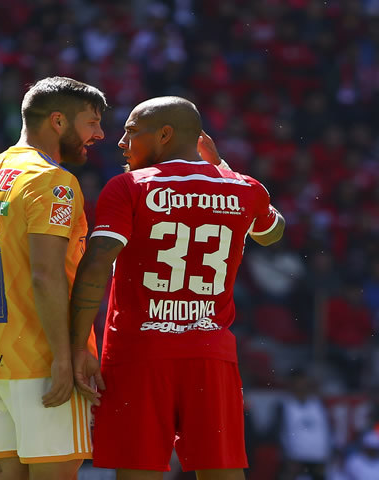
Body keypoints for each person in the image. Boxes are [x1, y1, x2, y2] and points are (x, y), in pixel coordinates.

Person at [69, 96, 285, 480]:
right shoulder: (243, 188)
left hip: (139, 353)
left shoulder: (128, 187)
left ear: (165, 134)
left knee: (138, 472)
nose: (121, 142)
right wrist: (222, 169)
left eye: (131, 132)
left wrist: (75, 345)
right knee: (221, 472)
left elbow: (98, 262)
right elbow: (273, 232)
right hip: (209, 354)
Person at [0, 76, 107, 479]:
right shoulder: (52, 182)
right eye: (91, 123)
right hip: (39, 356)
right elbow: (44, 275)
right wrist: (63, 355)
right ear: (58, 121)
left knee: (6, 474)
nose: (100, 134)